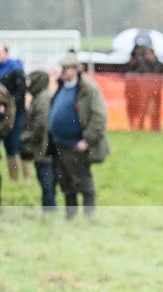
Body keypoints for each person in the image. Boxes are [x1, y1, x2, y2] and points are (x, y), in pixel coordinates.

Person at [48, 51, 110, 219]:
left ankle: (88, 216)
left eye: (66, 68)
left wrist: (86, 140)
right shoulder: (62, 87)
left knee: (83, 181)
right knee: (65, 182)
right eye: (63, 68)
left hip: (77, 145)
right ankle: (71, 215)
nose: (63, 71)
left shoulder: (88, 89)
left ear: (76, 69)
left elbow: (99, 117)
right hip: (59, 143)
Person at [19, 70, 55, 211]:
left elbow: (41, 124)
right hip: (41, 146)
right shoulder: (40, 97)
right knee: (45, 179)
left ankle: (49, 209)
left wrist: (27, 138)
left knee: (46, 180)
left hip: (44, 147)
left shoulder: (43, 98)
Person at [0, 43, 29, 182]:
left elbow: (21, 92)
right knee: (8, 145)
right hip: (2, 114)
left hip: (17, 113)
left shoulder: (16, 69)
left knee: (19, 142)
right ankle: (14, 178)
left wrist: (8, 105)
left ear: (6, 53)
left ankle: (27, 176)